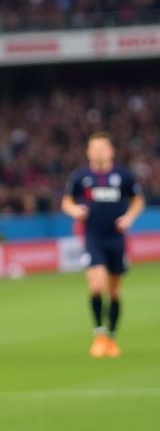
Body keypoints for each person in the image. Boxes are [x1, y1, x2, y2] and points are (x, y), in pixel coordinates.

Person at [61, 132, 144, 358]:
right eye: (93, 147)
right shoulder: (80, 177)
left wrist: (129, 218)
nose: (98, 151)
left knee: (115, 291)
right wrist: (74, 210)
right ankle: (99, 335)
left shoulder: (123, 176)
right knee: (97, 286)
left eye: (102, 147)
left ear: (111, 151)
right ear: (88, 152)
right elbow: (67, 201)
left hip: (116, 239)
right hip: (93, 238)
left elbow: (138, 200)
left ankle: (112, 337)